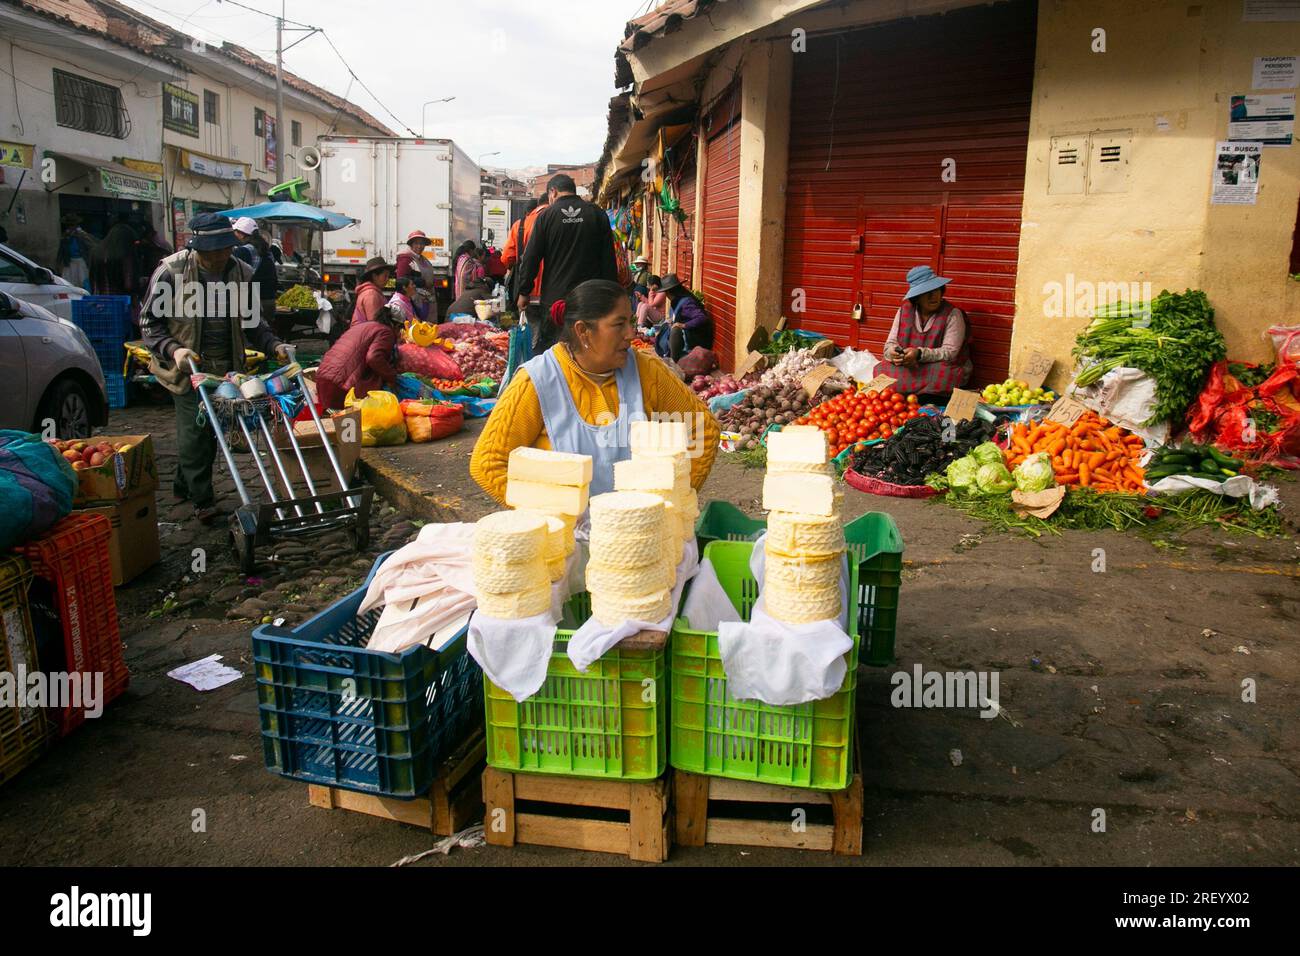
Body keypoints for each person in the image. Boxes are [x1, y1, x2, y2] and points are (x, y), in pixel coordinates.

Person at [471, 279, 719, 504]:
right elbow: (489, 462)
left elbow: (703, 430)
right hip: (566, 546)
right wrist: (549, 518)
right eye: (619, 324)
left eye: (631, 322)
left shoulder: (646, 371)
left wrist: (670, 508)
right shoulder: (538, 381)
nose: (631, 334)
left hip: (640, 542)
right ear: (583, 331)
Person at [140, 212, 289, 524]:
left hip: (226, 369)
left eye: (225, 249)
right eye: (213, 252)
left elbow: (253, 322)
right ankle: (203, 501)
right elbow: (148, 323)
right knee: (196, 433)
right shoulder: (172, 271)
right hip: (185, 367)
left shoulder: (241, 272)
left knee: (209, 432)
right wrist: (174, 349)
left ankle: (184, 484)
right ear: (197, 249)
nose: (220, 257)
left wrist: (273, 344)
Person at [513, 173, 618, 354]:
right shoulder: (596, 214)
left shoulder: (546, 217)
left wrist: (524, 291)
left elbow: (531, 258)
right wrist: (611, 295)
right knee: (587, 350)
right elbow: (608, 259)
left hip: (555, 301)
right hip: (589, 300)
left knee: (554, 353)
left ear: (552, 192)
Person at [875, 264, 973, 397]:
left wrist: (920, 354)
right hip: (910, 365)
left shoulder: (953, 314)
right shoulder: (904, 311)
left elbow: (950, 353)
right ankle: (920, 393)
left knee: (944, 373)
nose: (934, 296)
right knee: (882, 368)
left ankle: (913, 392)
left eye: (937, 290)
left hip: (935, 366)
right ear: (917, 297)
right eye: (927, 292)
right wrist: (892, 354)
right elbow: (890, 343)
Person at [314, 300, 401, 411]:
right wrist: (392, 377)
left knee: (335, 421)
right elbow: (374, 358)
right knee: (351, 423)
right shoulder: (386, 332)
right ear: (395, 325)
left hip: (323, 379)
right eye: (400, 329)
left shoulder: (364, 326)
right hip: (341, 386)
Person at [501, 196, 546, 330]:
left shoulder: (519, 225)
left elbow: (506, 258)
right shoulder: (556, 221)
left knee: (528, 330)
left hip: (526, 291)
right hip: (553, 291)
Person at [231, 216, 278, 327]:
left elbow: (235, 277)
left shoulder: (243, 251)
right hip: (269, 302)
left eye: (235, 232)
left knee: (250, 338)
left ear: (242, 234)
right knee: (264, 336)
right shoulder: (267, 251)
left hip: (253, 304)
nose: (234, 236)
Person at [657, 272, 713, 361]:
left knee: (675, 331)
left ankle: (674, 360)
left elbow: (702, 317)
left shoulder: (687, 303)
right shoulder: (676, 301)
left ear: (669, 292)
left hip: (696, 339)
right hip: (689, 336)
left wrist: (684, 325)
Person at [395, 229, 438, 321]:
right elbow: (401, 279)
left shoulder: (422, 259)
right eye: (416, 243)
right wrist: (423, 282)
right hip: (413, 300)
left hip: (425, 299)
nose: (419, 246)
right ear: (411, 244)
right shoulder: (405, 258)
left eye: (422, 244)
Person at [56, 215, 96, 292]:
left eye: (72, 225)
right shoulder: (65, 236)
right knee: (68, 281)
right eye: (69, 225)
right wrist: (58, 264)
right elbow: (61, 251)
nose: (71, 227)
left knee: (83, 281)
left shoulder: (82, 234)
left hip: (81, 261)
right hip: (69, 262)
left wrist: (80, 236)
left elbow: (91, 246)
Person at [351, 257, 391, 324]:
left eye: (388, 276)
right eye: (385, 276)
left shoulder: (373, 292)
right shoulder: (371, 294)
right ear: (375, 276)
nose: (387, 279)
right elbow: (374, 323)